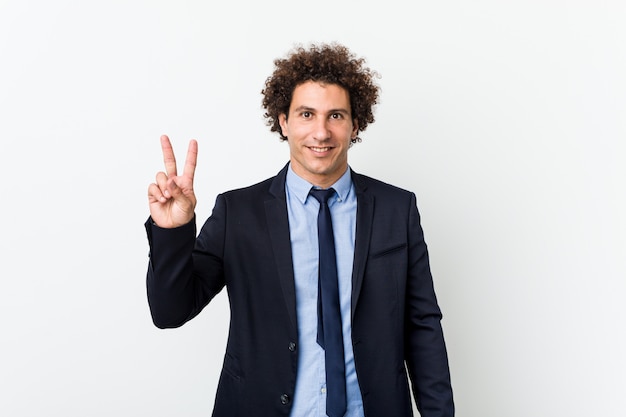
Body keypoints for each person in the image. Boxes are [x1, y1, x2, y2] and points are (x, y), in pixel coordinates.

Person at [145, 43, 454, 417]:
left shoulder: (396, 209)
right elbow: (170, 311)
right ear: (284, 122)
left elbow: (422, 326)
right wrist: (173, 232)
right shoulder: (237, 212)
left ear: (356, 124)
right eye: (306, 114)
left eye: (336, 115)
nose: (321, 132)